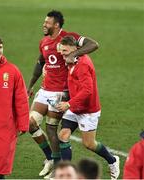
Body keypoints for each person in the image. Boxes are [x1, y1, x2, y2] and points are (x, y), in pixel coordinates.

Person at [27, 10, 99, 177]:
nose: (44, 25)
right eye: (44, 22)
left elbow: (93, 44)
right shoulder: (44, 41)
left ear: (56, 25)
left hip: (60, 92)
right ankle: (50, 159)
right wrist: (30, 85)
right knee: (30, 123)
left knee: (51, 128)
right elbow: (40, 63)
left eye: (47, 23)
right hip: (45, 90)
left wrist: (74, 53)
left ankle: (59, 167)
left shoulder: (69, 37)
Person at [56, 36, 120, 180]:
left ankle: (113, 160)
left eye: (65, 51)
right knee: (63, 136)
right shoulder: (71, 60)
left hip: (88, 110)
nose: (62, 54)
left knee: (89, 144)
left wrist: (68, 104)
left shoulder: (83, 64)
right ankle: (66, 174)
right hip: (75, 107)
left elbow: (87, 91)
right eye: (62, 51)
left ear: (74, 49)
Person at [0, 36, 29, 179]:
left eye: (0, 47)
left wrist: (23, 124)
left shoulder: (12, 71)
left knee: (3, 158)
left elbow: (21, 100)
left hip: (5, 124)